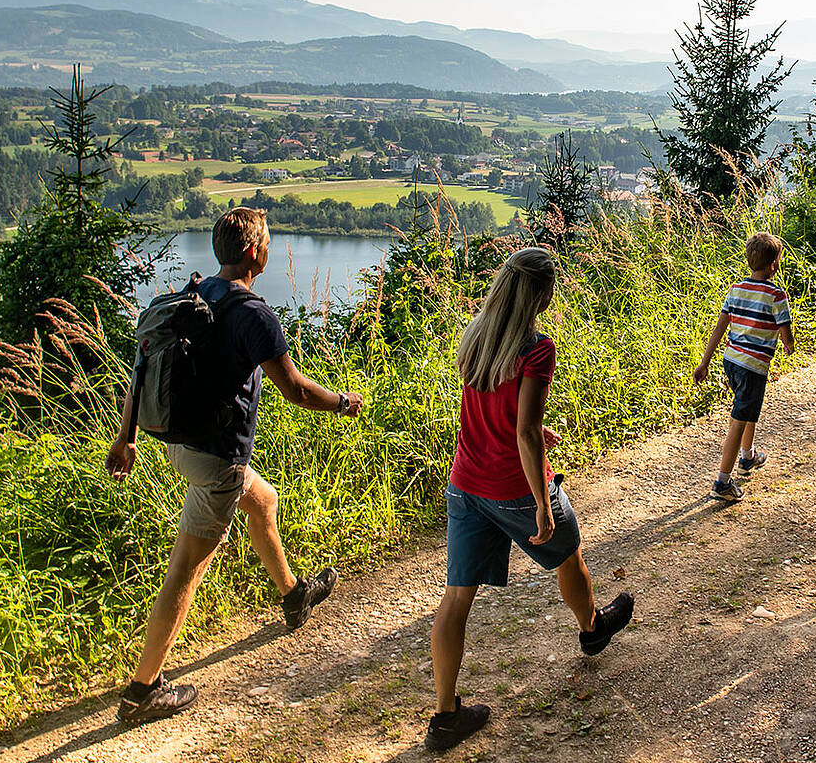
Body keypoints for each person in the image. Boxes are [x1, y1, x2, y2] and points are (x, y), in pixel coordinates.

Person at [106, 206, 365, 723]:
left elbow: (143, 365)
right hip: (216, 457)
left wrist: (126, 437)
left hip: (176, 443)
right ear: (252, 251)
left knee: (263, 499)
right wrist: (341, 401)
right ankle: (143, 691)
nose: (268, 248)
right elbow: (294, 390)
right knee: (187, 568)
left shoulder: (192, 296)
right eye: (266, 241)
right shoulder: (254, 314)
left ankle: (293, 596)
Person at [426, 246, 634, 752]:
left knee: (456, 598)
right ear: (542, 294)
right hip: (514, 487)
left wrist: (538, 433)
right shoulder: (537, 348)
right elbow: (522, 433)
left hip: (466, 484)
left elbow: (498, 415)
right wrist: (542, 498)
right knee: (569, 551)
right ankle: (592, 628)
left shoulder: (476, 337)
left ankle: (445, 716)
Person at [692, 232, 796, 502]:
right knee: (739, 418)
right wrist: (789, 345)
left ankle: (747, 457)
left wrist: (704, 363)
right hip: (753, 366)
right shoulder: (776, 294)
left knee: (747, 407)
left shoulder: (737, 289)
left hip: (732, 361)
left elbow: (720, 327)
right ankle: (722, 481)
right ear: (774, 265)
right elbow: (785, 329)